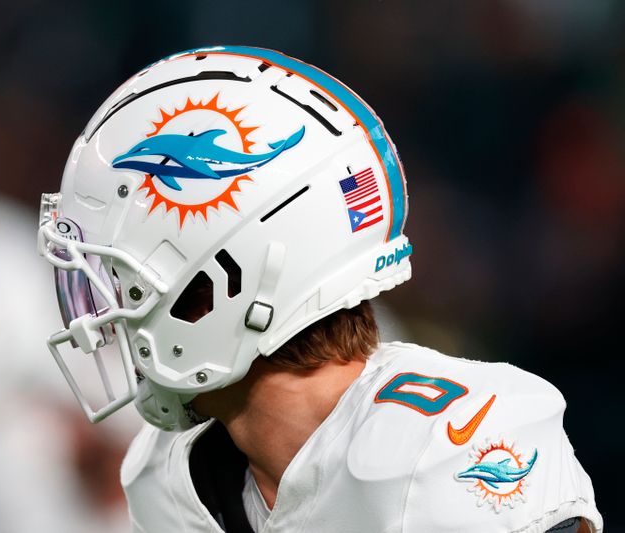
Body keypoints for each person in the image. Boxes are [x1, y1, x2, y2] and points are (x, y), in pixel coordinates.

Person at [37, 46, 602, 532]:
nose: (103, 310)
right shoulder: (164, 478)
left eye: (121, 281)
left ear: (215, 287)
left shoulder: (449, 444)